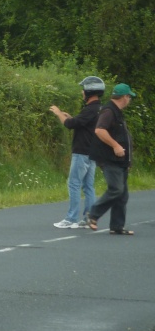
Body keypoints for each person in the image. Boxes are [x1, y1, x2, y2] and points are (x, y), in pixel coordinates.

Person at [49, 76, 104, 228]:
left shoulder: (90, 109)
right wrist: (71, 117)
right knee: (88, 186)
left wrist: (59, 113)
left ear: (89, 91)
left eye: (83, 90)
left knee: (74, 184)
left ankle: (70, 218)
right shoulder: (98, 109)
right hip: (92, 152)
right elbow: (82, 124)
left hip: (82, 152)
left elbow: (70, 125)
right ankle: (88, 219)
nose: (82, 93)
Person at [86, 83, 136, 235]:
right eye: (129, 97)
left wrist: (128, 161)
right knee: (116, 189)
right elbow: (100, 130)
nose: (130, 100)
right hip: (109, 158)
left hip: (120, 161)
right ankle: (93, 214)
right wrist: (115, 146)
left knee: (122, 194)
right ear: (125, 97)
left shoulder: (117, 112)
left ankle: (117, 226)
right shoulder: (109, 111)